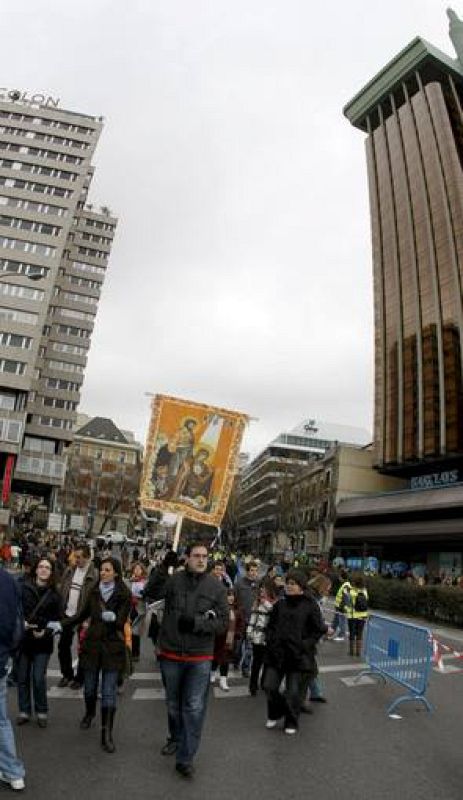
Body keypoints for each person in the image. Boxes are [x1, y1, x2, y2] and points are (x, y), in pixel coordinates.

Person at [157, 542, 229, 779]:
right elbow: (150, 596)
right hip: (170, 653)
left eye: (204, 556)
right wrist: (160, 569)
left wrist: (197, 624)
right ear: (186, 558)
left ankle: (185, 758)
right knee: (172, 704)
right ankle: (175, 737)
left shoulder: (216, 587)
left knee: (195, 707)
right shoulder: (173, 580)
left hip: (200, 656)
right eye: (196, 556)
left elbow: (222, 623)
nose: (201, 560)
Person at [61, 557, 131, 753]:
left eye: (108, 570)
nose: (103, 572)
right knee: (89, 689)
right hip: (91, 646)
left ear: (116, 573)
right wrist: (61, 624)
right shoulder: (93, 591)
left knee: (108, 692)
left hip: (112, 647)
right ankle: (89, 713)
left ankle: (106, 734)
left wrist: (115, 617)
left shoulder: (123, 593)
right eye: (102, 570)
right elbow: (81, 615)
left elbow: (122, 620)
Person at [263, 569, 326, 735]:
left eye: (293, 584)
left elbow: (318, 629)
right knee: (269, 686)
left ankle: (291, 721)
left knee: (293, 692)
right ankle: (275, 713)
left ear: (301, 586)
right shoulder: (280, 604)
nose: (288, 587)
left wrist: (304, 645)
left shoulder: (310, 605)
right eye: (287, 583)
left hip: (298, 656)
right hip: (276, 654)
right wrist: (271, 640)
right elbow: (270, 626)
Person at [17, 557, 62, 729]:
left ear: (51, 572)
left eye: (47, 568)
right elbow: (16, 610)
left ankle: (42, 711)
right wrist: (22, 623)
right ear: (35, 570)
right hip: (24, 640)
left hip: (43, 642)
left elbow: (59, 620)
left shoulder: (55, 594)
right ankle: (24, 711)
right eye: (41, 567)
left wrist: (46, 631)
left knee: (37, 678)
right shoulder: (23, 588)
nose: (43, 570)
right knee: (22, 677)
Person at [57, 544, 98, 689]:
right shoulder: (70, 570)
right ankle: (67, 674)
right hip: (67, 615)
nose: (76, 559)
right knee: (63, 646)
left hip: (83, 617)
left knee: (83, 649)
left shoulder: (94, 575)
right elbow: (62, 588)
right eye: (75, 556)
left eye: (79, 557)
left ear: (87, 557)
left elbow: (96, 600)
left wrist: (89, 619)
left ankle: (79, 679)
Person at [0, 567, 25, 791]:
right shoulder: (8, 580)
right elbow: (15, 622)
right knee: (1, 719)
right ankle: (12, 771)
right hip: (1, 657)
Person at [247, 579, 278, 696]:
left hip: (269, 638)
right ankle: (252, 686)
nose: (261, 591)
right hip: (258, 637)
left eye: (264, 588)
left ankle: (264, 683)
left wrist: (265, 602)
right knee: (256, 662)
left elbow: (273, 612)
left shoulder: (275, 603)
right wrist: (249, 632)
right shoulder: (257, 602)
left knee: (267, 662)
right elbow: (252, 619)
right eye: (261, 588)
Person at [211, 589, 244, 691]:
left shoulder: (238, 610)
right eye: (228, 595)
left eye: (233, 595)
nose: (231, 597)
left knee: (225, 660)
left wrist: (238, 633)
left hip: (230, 640)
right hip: (218, 638)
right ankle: (212, 673)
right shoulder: (219, 608)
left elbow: (241, 624)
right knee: (215, 658)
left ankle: (223, 680)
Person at [234, 561, 259, 677]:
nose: (254, 573)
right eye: (252, 570)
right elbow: (234, 599)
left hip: (253, 619)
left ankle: (246, 668)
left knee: (250, 647)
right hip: (241, 619)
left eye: (256, 571)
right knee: (238, 645)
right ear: (247, 571)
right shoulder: (239, 584)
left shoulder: (258, 585)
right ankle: (236, 660)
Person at [127, 562, 147, 661]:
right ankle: (129, 652)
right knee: (128, 630)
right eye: (135, 569)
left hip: (139, 608)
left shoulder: (144, 582)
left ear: (142, 571)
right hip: (130, 608)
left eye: (139, 569)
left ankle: (135, 654)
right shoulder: (130, 581)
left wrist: (138, 597)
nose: (137, 571)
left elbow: (145, 595)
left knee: (135, 631)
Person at [346, 574, 369, 657]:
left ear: (355, 583)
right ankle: (358, 652)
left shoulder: (352, 592)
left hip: (352, 616)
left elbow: (348, 603)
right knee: (360, 633)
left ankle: (351, 652)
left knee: (352, 633)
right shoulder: (365, 591)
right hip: (363, 616)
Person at [331, 570, 351, 641]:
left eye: (340, 576)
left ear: (342, 577)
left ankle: (341, 636)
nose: (339, 578)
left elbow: (346, 598)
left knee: (341, 622)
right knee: (335, 621)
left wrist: (344, 608)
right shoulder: (344, 585)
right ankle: (331, 633)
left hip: (341, 608)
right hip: (338, 607)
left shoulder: (346, 586)